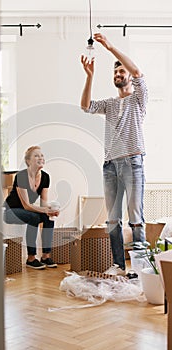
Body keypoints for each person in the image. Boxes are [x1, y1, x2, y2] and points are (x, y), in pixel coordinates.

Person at [80, 33, 148, 276]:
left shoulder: (138, 99)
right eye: (115, 73)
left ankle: (139, 268)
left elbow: (138, 72)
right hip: (109, 165)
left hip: (132, 161)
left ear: (128, 76)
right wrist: (89, 77)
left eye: (122, 72)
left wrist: (109, 47)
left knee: (136, 218)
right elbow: (86, 106)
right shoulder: (109, 104)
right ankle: (119, 266)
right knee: (112, 220)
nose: (118, 75)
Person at [4, 146, 59, 270]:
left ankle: (45, 256)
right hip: (10, 211)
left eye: (42, 155)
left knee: (47, 217)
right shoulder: (21, 176)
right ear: (28, 161)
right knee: (33, 216)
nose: (41, 157)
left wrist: (51, 210)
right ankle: (31, 258)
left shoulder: (45, 177)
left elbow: (43, 204)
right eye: (36, 155)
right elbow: (26, 205)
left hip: (26, 211)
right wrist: (45, 210)